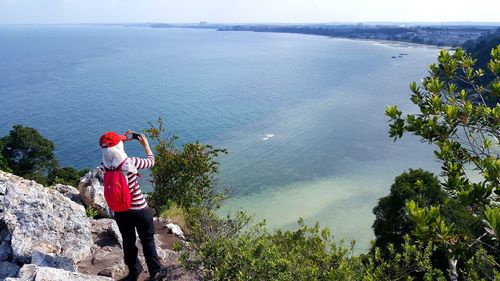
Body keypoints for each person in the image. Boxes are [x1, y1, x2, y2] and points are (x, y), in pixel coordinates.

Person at [98, 131, 163, 281]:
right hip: (139, 210)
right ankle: (155, 272)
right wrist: (145, 145)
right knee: (147, 240)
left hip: (121, 211)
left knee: (128, 242)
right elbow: (151, 161)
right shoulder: (131, 162)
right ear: (119, 146)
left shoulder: (104, 166)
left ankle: (134, 272)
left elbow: (111, 151)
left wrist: (119, 141)